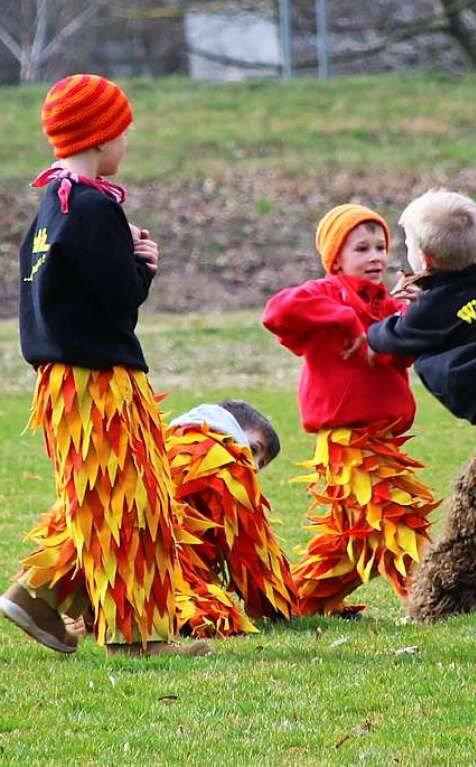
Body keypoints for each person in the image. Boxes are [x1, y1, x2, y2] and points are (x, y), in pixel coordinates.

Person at [0, 74, 208, 657]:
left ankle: (39, 596)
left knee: (105, 496)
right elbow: (120, 297)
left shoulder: (53, 204)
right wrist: (144, 265)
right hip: (99, 378)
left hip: (62, 379)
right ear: (101, 135)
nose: (127, 141)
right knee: (132, 501)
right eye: (123, 130)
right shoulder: (90, 206)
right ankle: (135, 637)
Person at [262, 204, 438, 616]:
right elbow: (277, 311)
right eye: (361, 248)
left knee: (349, 537)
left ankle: (295, 604)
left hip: (383, 439)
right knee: (394, 520)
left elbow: (408, 352)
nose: (375, 256)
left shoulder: (390, 307)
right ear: (335, 258)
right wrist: (346, 318)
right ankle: (433, 599)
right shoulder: (324, 293)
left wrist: (418, 313)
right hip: (347, 442)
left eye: (380, 247)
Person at [366, 189, 476, 622]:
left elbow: (389, 338)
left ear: (422, 258)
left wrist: (380, 321)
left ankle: (440, 605)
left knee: (475, 510)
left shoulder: (431, 306)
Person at [167, 399, 297, 635]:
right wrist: (279, 606)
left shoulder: (166, 442)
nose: (255, 467)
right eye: (255, 451)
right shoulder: (225, 460)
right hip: (169, 569)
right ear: (233, 426)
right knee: (214, 614)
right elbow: (248, 546)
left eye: (261, 464)